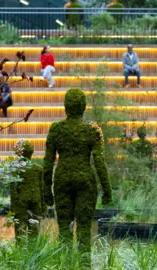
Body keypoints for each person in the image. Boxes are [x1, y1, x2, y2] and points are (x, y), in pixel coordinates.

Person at [44, 88, 112, 253]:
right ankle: (83, 265)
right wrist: (107, 189)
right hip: (85, 183)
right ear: (83, 107)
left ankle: (66, 265)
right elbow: (99, 161)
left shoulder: (56, 129)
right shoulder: (92, 130)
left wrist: (46, 191)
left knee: (65, 230)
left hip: (62, 181)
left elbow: (48, 163)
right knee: (83, 230)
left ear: (65, 106)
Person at [10, 140, 44, 239]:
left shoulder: (14, 169)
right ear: (31, 153)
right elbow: (41, 189)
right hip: (36, 202)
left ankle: (20, 254)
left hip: (20, 203)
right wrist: (44, 206)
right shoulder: (38, 169)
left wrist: (13, 209)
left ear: (18, 153)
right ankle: (34, 253)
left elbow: (13, 191)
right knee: (35, 233)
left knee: (20, 233)